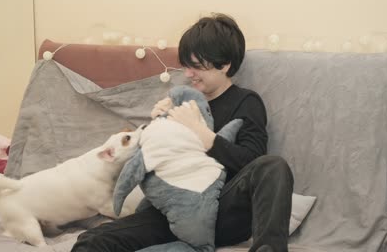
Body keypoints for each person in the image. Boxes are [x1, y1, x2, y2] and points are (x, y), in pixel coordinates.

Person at [71, 13, 294, 252]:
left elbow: (254, 164)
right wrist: (156, 126)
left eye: (197, 66)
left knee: (273, 166)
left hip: (222, 212)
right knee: (92, 241)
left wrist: (205, 137)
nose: (188, 74)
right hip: (174, 210)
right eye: (186, 66)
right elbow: (153, 162)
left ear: (225, 64)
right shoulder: (182, 102)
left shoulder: (247, 102)